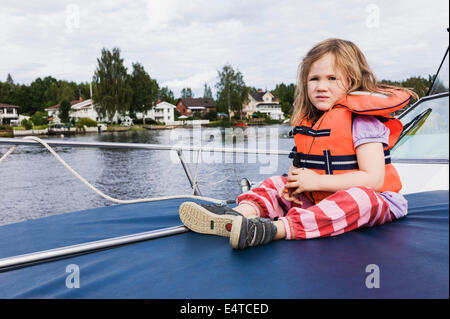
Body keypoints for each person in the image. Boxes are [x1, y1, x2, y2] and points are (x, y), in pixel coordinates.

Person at [179, 38, 418, 250]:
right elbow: (302, 167)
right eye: (314, 78)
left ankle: (275, 229)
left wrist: (317, 181)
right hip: (320, 196)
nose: (321, 86)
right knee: (276, 183)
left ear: (352, 81)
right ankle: (238, 216)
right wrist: (296, 181)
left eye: (332, 78)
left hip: (378, 201)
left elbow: (373, 180)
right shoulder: (312, 122)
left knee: (358, 198)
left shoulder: (362, 122)